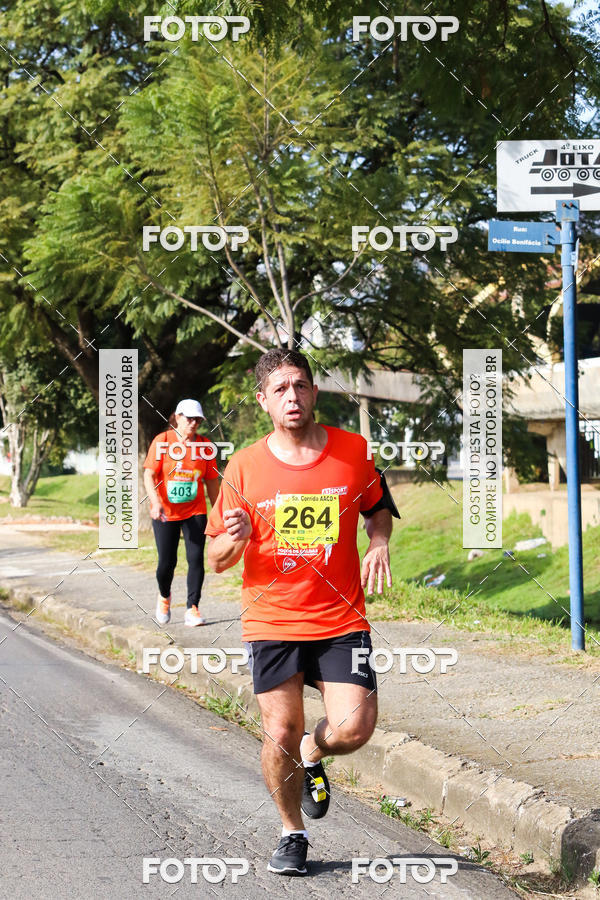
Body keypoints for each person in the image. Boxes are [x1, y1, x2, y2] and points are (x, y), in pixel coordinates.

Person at [205, 349, 399, 876]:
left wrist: (377, 541)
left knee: (355, 728)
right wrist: (234, 541)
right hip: (273, 621)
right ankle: (292, 832)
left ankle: (315, 753)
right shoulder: (243, 468)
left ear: (314, 393)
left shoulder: (352, 450)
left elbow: (378, 507)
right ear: (264, 400)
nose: (293, 396)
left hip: (339, 619)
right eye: (281, 389)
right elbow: (215, 561)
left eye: (302, 386)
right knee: (281, 730)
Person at [144, 399, 220, 627]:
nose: (194, 423)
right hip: (165, 512)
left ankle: (192, 608)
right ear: (177, 417)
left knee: (196, 559)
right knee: (166, 563)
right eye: (189, 418)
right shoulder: (162, 441)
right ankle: (164, 596)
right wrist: (155, 502)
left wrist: (218, 513)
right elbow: (148, 475)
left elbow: (212, 483)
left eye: (198, 419)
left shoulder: (205, 446)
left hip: (194, 510)